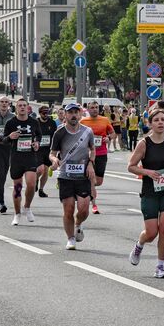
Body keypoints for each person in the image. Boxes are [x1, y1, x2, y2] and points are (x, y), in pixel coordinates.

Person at [127, 107, 164, 278]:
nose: (160, 122)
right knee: (152, 233)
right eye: (156, 120)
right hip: (149, 191)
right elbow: (131, 166)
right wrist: (148, 172)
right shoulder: (144, 144)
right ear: (150, 123)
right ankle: (139, 245)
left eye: (162, 119)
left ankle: (160, 266)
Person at [49, 101, 98, 249]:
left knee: (83, 210)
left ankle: (78, 223)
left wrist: (90, 163)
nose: (74, 115)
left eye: (76, 112)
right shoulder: (60, 132)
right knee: (68, 209)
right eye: (70, 112)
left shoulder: (87, 131)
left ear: (81, 114)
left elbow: (92, 149)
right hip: (65, 176)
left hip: (82, 176)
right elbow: (52, 154)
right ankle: (70, 238)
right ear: (65, 114)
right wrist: (55, 160)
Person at [3, 99, 44, 225]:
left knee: (31, 184)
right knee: (18, 187)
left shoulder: (33, 122)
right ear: (16, 108)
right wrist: (10, 137)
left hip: (30, 157)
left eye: (24, 106)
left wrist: (37, 143)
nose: (22, 108)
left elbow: (39, 136)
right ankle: (17, 214)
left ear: (28, 108)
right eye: (19, 106)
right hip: (16, 158)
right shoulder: (11, 123)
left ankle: (27, 207)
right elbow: (4, 139)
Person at [81, 101, 114, 215]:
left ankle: (83, 185)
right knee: (92, 179)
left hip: (102, 153)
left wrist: (108, 138)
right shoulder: (83, 121)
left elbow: (113, 134)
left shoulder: (104, 120)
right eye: (92, 108)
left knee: (98, 182)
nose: (94, 109)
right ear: (88, 110)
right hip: (88, 155)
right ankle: (94, 204)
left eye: (96, 107)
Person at [34, 104, 57, 198]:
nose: (46, 115)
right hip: (38, 150)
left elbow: (55, 136)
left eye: (47, 113)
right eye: (44, 113)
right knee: (40, 169)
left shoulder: (52, 123)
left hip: (48, 149)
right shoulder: (35, 122)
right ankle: (35, 180)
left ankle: (41, 189)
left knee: (46, 171)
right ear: (40, 114)